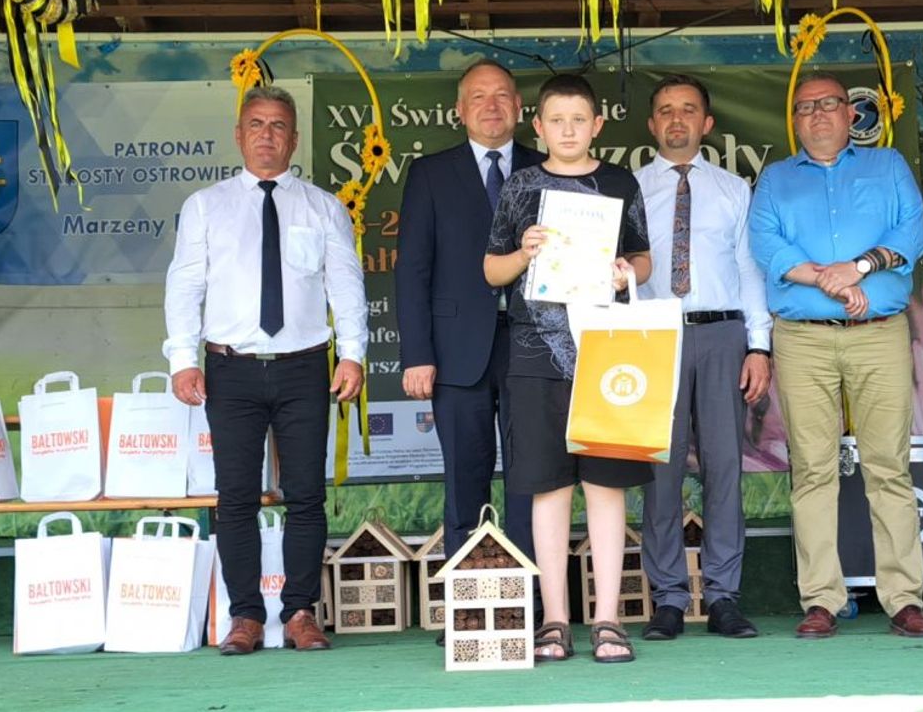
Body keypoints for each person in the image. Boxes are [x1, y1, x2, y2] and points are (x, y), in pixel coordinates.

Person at [163, 84, 368, 655]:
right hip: (230, 368)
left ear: (294, 139)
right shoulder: (205, 206)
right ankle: (245, 618)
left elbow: (345, 284)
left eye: (278, 125)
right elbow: (185, 285)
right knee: (235, 498)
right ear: (238, 135)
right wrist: (182, 359)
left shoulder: (323, 207)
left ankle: (300, 612)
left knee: (306, 495)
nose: (266, 135)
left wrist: (352, 352)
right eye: (255, 124)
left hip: (305, 366)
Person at [749, 71, 923, 640]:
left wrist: (857, 268)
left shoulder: (888, 166)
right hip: (803, 338)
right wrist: (830, 280)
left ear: (851, 114)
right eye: (805, 107)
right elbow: (767, 245)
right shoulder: (776, 179)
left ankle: (903, 599)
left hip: (878, 333)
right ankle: (821, 600)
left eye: (828, 104)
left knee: (888, 466)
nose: (817, 115)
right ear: (794, 120)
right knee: (812, 469)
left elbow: (912, 234)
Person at [484, 73, 652, 664]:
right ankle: (555, 620)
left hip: (607, 353)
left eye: (579, 120)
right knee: (548, 487)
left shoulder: (620, 182)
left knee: (605, 487)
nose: (568, 130)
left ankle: (608, 619)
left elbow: (643, 258)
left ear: (597, 125)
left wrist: (625, 273)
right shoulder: (520, 186)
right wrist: (523, 252)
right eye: (556, 120)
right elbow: (491, 271)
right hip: (534, 355)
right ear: (538, 126)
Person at [396, 59, 543, 587]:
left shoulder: (547, 168)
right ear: (459, 110)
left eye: (501, 95)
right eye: (478, 97)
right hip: (456, 350)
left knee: (533, 481)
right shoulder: (430, 174)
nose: (490, 105)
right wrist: (417, 354)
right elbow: (413, 270)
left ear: (519, 108)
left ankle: (532, 604)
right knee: (464, 482)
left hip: (535, 347)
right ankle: (469, 604)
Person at [634, 75, 769, 641]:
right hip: (652, 336)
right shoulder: (630, 189)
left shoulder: (734, 189)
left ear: (707, 123)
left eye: (688, 110)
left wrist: (758, 345)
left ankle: (722, 596)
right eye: (666, 110)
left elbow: (749, 269)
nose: (677, 119)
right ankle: (667, 598)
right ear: (652, 124)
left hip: (721, 334)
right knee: (658, 472)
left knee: (723, 467)